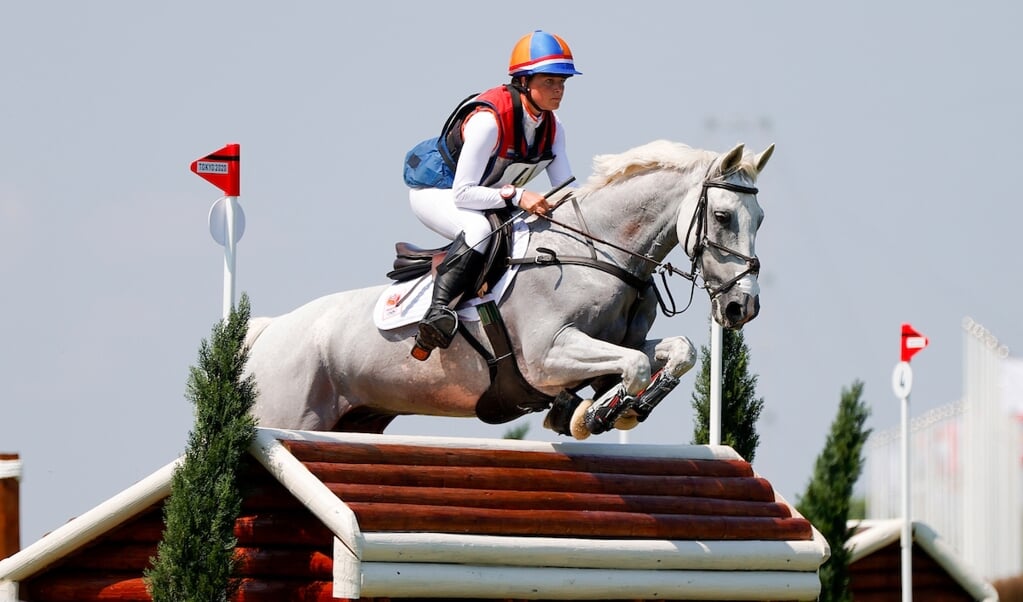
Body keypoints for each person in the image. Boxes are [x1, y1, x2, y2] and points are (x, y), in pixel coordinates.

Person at [407, 29, 581, 360]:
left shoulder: (554, 127)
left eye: (563, 82)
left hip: (486, 196)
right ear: (525, 82)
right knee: (479, 230)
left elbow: (565, 192)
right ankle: (437, 313)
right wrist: (518, 196)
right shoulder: (489, 121)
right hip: (438, 192)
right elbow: (463, 195)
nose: (559, 90)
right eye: (550, 81)